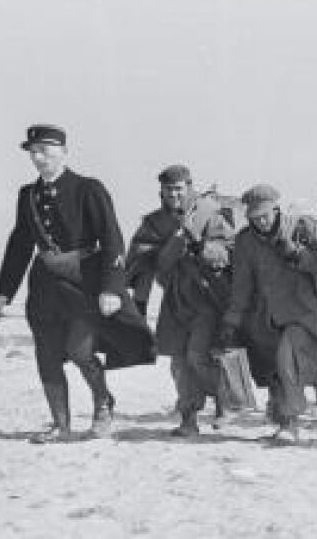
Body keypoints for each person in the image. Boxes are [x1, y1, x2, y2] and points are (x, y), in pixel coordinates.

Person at [0, 124, 155, 443]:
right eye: (34, 153)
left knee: (79, 350)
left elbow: (111, 239)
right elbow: (21, 243)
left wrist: (111, 287)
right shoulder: (28, 195)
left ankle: (103, 405)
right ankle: (60, 425)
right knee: (46, 354)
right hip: (44, 288)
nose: (39, 159)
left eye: (46, 152)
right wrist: (3, 291)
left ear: (64, 153)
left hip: (84, 285)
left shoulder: (88, 189)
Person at [220, 184, 317, 443]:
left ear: (276, 209)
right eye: (255, 217)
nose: (261, 222)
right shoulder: (244, 241)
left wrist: (297, 254)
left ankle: (291, 423)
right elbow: (241, 286)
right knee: (272, 370)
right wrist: (232, 320)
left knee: (288, 360)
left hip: (303, 313)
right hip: (265, 317)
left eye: (265, 215)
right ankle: (283, 417)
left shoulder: (301, 227)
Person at [126, 165, 235, 436]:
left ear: (189, 187)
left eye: (179, 188)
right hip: (173, 299)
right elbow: (139, 259)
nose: (174, 194)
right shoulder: (153, 222)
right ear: (161, 191)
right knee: (178, 361)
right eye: (168, 189)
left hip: (207, 297)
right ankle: (188, 418)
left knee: (198, 355)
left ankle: (224, 401)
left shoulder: (209, 214)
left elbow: (229, 251)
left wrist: (202, 247)